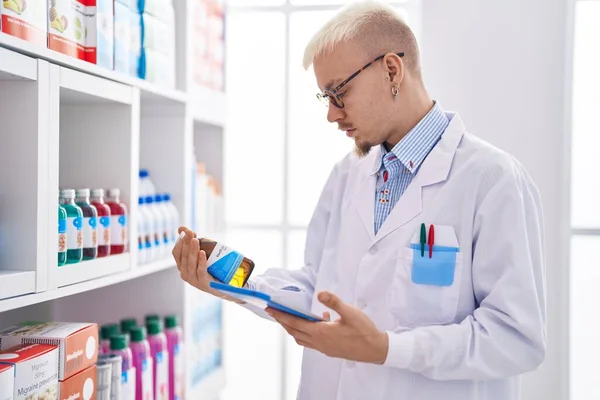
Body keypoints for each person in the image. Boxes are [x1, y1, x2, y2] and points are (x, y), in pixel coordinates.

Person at [172, 1, 547, 399]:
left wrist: (387, 349)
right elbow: (320, 287)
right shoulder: (347, 175)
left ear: (391, 70)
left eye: (339, 92)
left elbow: (515, 338)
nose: (332, 115)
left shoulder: (493, 180)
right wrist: (232, 280)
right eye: (325, 98)